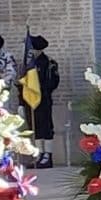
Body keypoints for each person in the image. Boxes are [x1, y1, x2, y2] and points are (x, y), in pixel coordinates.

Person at [18, 36, 60, 169]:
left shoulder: (49, 63)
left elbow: (53, 82)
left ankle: (48, 155)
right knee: (34, 127)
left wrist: (42, 91)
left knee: (46, 127)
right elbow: (22, 84)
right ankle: (39, 154)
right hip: (29, 100)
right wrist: (21, 102)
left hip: (44, 99)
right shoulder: (27, 64)